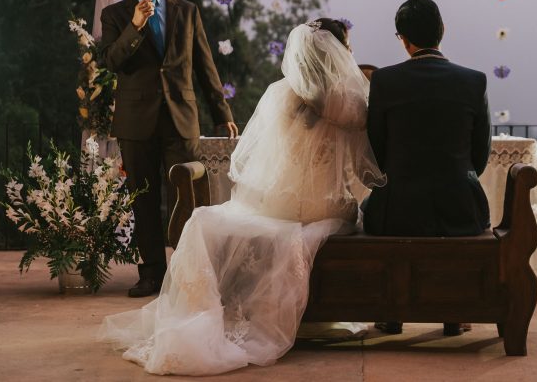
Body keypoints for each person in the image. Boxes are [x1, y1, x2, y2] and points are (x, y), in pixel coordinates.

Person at [99, 19, 385, 376]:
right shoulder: (351, 103)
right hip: (323, 207)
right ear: (338, 52)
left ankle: (211, 314)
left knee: (210, 219)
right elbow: (367, 170)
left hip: (276, 202)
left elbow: (255, 158)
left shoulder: (281, 94)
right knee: (349, 209)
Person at [100, 0, 238, 298]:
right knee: (144, 200)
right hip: (136, 121)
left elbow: (206, 66)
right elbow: (112, 61)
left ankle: (189, 271)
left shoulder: (187, 10)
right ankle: (151, 274)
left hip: (181, 119)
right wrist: (135, 25)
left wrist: (222, 112)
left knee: (188, 197)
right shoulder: (114, 15)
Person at [362, 0, 491, 336]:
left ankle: (393, 312)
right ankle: (453, 311)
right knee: (448, 222)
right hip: (460, 208)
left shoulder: (385, 81)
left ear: (403, 39)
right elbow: (479, 159)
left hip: (397, 210)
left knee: (377, 214)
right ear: (442, 31)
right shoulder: (474, 81)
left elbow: (375, 154)